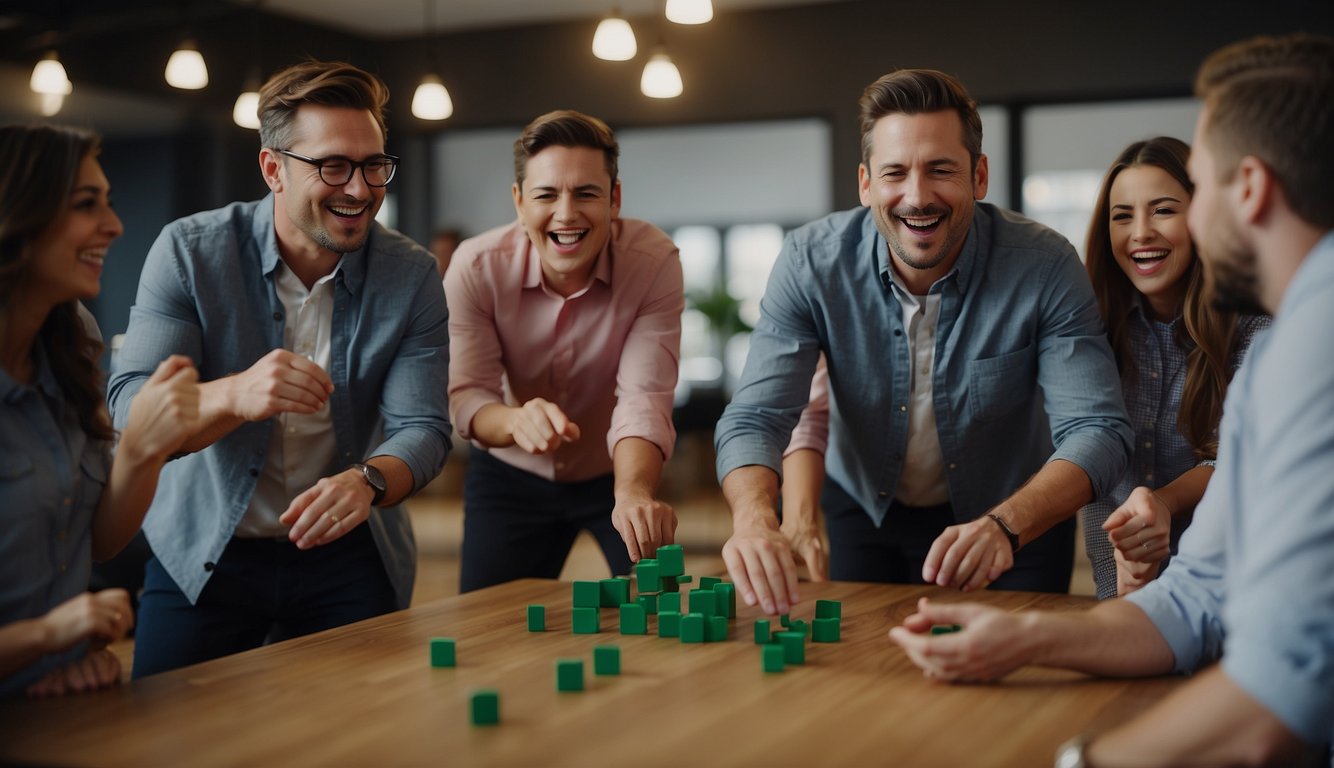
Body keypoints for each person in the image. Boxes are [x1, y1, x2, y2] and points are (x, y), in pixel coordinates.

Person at [890, 33, 1334, 766]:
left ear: (1246, 188)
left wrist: (1084, 761)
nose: (1157, 229)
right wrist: (1023, 636)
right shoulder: (1279, 356)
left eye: (1197, 185)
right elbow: (1197, 598)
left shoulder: (1307, 349)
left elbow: (1280, 693)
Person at [713, 68, 1133, 616]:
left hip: (1014, 514)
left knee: (1016, 684)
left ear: (979, 176)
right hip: (865, 510)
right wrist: (754, 518)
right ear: (866, 184)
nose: (916, 196)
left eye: (941, 170)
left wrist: (1006, 525)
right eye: (894, 174)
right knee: (867, 677)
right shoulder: (809, 262)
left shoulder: (1045, 266)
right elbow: (756, 418)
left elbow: (1098, 429)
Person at [107, 60, 452, 677]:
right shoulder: (189, 252)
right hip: (206, 548)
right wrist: (232, 395)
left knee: (357, 738)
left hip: (348, 554)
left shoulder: (413, 273)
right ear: (273, 169)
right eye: (332, 166)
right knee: (161, 735)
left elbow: (423, 428)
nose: (360, 188)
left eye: (374, 165)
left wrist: (368, 481)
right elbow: (128, 405)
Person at [445, 110, 682, 592]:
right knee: (490, 629)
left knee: (661, 613)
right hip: (510, 476)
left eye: (586, 193)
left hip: (617, 471)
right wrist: (514, 422)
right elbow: (467, 396)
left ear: (615, 199)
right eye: (546, 195)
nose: (566, 213)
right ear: (518, 201)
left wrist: (634, 492)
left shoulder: (654, 261)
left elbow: (644, 398)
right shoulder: (475, 267)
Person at [0, 124, 200, 696]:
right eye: (87, 204)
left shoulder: (72, 338)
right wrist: (44, 637)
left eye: (108, 202)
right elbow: (46, 628)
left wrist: (142, 448)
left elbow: (97, 541)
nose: (113, 226)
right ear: (17, 213)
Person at [1080, 136, 1267, 599]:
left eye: (1163, 210)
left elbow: (1237, 456)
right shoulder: (1091, 327)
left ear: (1204, 215)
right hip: (1120, 574)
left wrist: (1162, 501)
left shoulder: (1255, 326)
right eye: (1122, 216)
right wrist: (1120, 586)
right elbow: (1088, 450)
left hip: (1227, 584)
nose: (1140, 232)